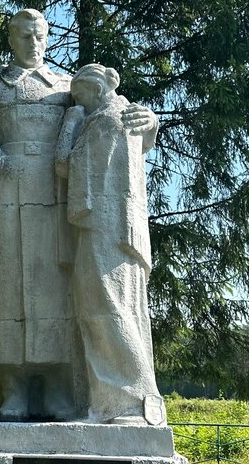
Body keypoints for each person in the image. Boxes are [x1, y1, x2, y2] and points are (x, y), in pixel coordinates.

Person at [0, 12, 157, 421]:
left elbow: (109, 117)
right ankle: (13, 391)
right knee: (5, 287)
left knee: (58, 289)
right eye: (25, 35)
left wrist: (148, 122)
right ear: (11, 39)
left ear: (48, 38)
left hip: (60, 195)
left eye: (40, 36)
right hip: (3, 194)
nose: (33, 43)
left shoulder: (67, 86)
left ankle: (61, 389)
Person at [56, 63, 166, 426]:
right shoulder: (106, 118)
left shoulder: (109, 119)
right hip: (105, 226)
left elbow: (64, 165)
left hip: (110, 226)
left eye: (81, 95)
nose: (79, 101)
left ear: (98, 88)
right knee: (100, 304)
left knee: (108, 304)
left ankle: (131, 401)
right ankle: (111, 402)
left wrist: (70, 123)